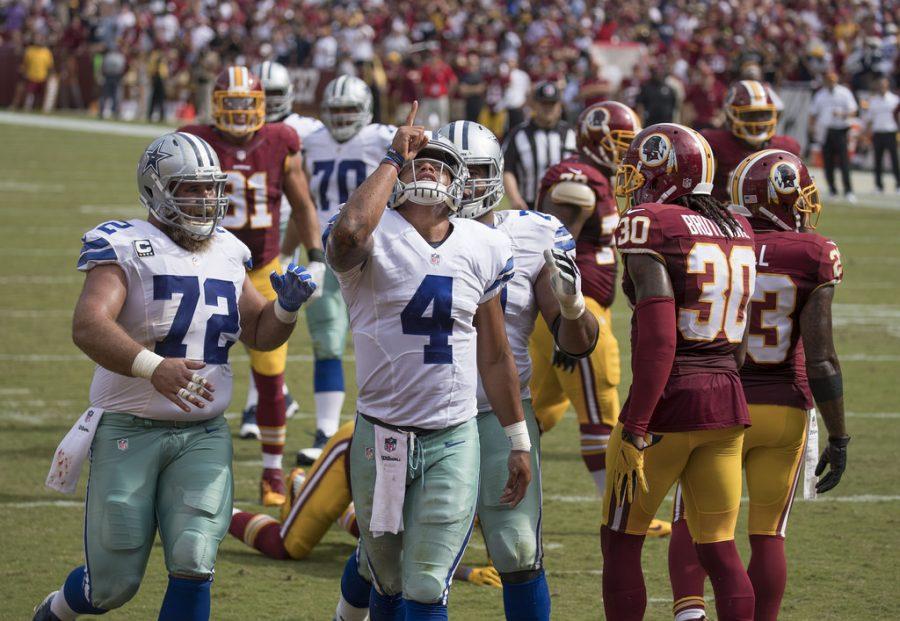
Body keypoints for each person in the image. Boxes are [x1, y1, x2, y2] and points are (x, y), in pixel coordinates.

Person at [31, 132, 315, 621]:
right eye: (192, 188)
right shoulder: (124, 245)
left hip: (204, 434)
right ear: (157, 190)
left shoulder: (229, 249)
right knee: (113, 585)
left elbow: (261, 334)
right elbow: (88, 324)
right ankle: (59, 609)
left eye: (211, 188)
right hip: (129, 426)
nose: (207, 199)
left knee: (195, 558)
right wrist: (153, 367)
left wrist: (285, 308)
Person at [326, 103, 532, 619]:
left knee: (426, 581)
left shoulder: (484, 245)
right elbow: (349, 232)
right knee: (388, 578)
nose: (428, 169)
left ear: (460, 183)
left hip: (451, 436)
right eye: (419, 163)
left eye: (439, 164)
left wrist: (518, 441)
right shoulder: (372, 234)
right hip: (382, 434)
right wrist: (396, 155)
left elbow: (496, 353)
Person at [667, 150, 849, 621]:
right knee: (768, 533)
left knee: (698, 520)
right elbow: (824, 358)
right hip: (785, 407)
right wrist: (839, 436)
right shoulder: (813, 253)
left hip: (720, 401)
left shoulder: (724, 240)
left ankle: (690, 613)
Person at [435, 120, 600, 620]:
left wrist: (572, 308)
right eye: (453, 172)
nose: (464, 185)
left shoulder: (534, 233)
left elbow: (579, 343)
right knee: (400, 554)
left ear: (499, 176)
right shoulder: (400, 232)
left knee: (517, 549)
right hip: (422, 409)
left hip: (499, 410)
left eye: (477, 172)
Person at [603, 123, 758, 621]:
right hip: (728, 401)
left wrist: (636, 423)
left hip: (668, 402)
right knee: (720, 549)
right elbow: (741, 338)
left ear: (667, 173)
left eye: (642, 169)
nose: (633, 181)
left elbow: (659, 338)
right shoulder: (741, 228)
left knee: (621, 542)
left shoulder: (654, 223)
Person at [180, 66, 325, 506]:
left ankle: (271, 473)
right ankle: (183, 462)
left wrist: (316, 257)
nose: (241, 112)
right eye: (233, 103)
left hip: (260, 268)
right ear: (216, 105)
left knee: (270, 373)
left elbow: (301, 202)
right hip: (207, 262)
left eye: (248, 103)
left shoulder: (281, 140)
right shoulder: (196, 138)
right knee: (191, 366)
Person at [527, 103, 643, 510]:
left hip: (584, 307)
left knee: (536, 411)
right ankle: (621, 510)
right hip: (574, 308)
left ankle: (476, 492)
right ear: (594, 141)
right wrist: (564, 319)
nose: (628, 153)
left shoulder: (605, 179)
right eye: (621, 144)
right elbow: (551, 243)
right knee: (603, 408)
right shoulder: (576, 178)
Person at [288, 75, 396, 466]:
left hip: (373, 251)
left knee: (385, 338)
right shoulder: (311, 140)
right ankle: (326, 432)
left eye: (350, 110)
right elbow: (302, 201)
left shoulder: (381, 137)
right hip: (322, 251)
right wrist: (291, 251)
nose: (342, 118)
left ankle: (388, 426)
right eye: (335, 111)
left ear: (365, 110)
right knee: (326, 341)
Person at [228, 61, 326, 432]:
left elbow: (306, 189)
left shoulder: (305, 130)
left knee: (270, 318)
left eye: (273, 95)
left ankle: (266, 399)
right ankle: (273, 396)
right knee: (247, 318)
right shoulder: (242, 132)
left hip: (289, 228)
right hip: (252, 227)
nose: (267, 102)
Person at [702, 80, 801, 202]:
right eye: (751, 115)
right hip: (722, 217)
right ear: (730, 115)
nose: (759, 122)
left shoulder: (787, 148)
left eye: (764, 114)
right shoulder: (712, 144)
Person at [503, 81, 576, 211]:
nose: (548, 108)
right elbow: (507, 169)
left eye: (552, 104)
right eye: (544, 104)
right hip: (528, 206)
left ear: (560, 106)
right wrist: (515, 199)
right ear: (534, 105)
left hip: (566, 206)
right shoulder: (519, 134)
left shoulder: (571, 134)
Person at [809, 71, 858, 202]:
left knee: (844, 162)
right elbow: (813, 113)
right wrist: (812, 128)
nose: (830, 83)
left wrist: (842, 114)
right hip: (826, 131)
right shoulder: (820, 95)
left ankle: (848, 191)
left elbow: (853, 110)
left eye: (833, 80)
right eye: (828, 80)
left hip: (841, 130)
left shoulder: (844, 93)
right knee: (828, 161)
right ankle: (832, 190)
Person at [864, 76, 900, 192]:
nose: (882, 87)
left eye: (884, 85)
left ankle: (898, 184)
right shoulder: (873, 101)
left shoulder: (894, 99)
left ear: (887, 86)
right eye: (880, 85)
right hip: (878, 133)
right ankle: (879, 185)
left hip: (891, 132)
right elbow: (869, 119)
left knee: (894, 160)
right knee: (878, 160)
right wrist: (866, 134)